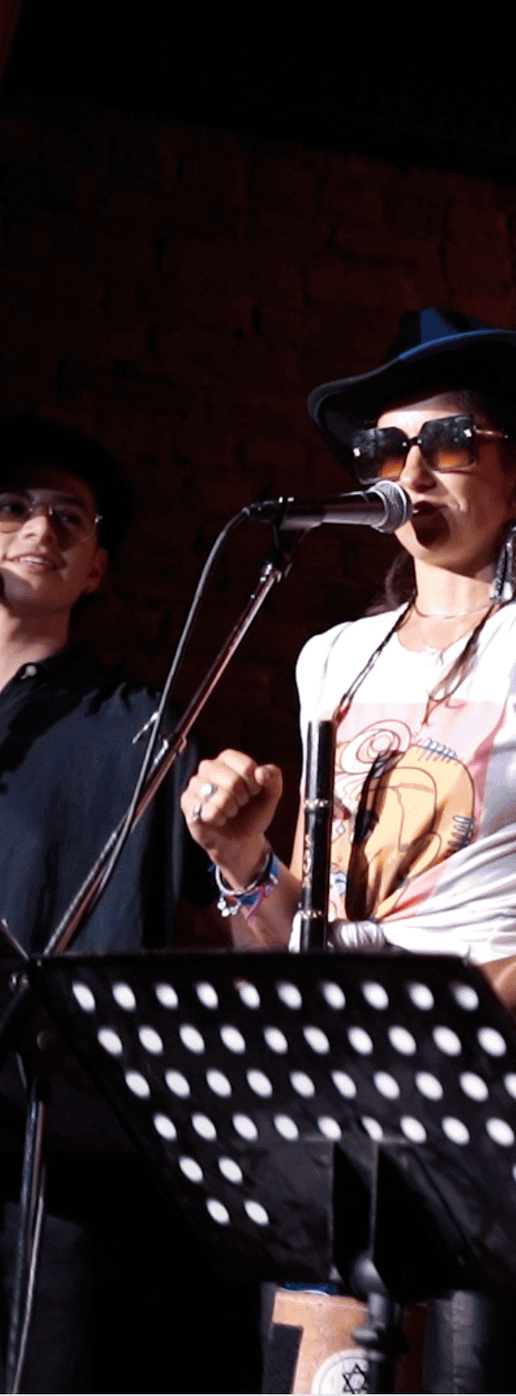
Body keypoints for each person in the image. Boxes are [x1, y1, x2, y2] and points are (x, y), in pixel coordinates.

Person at [178, 308, 516, 1390]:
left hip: (494, 1066)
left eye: (449, 442)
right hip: (330, 1068)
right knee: (311, 1380)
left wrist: (460, 999)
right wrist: (241, 860)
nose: (410, 472)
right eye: (385, 448)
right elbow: (290, 941)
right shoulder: (333, 660)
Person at [0, 414, 260, 1391]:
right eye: (14, 507)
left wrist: (241, 849)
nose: (41, 528)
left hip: (57, 1173)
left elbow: (254, 921)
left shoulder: (140, 734)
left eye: (70, 516)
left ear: (97, 568)